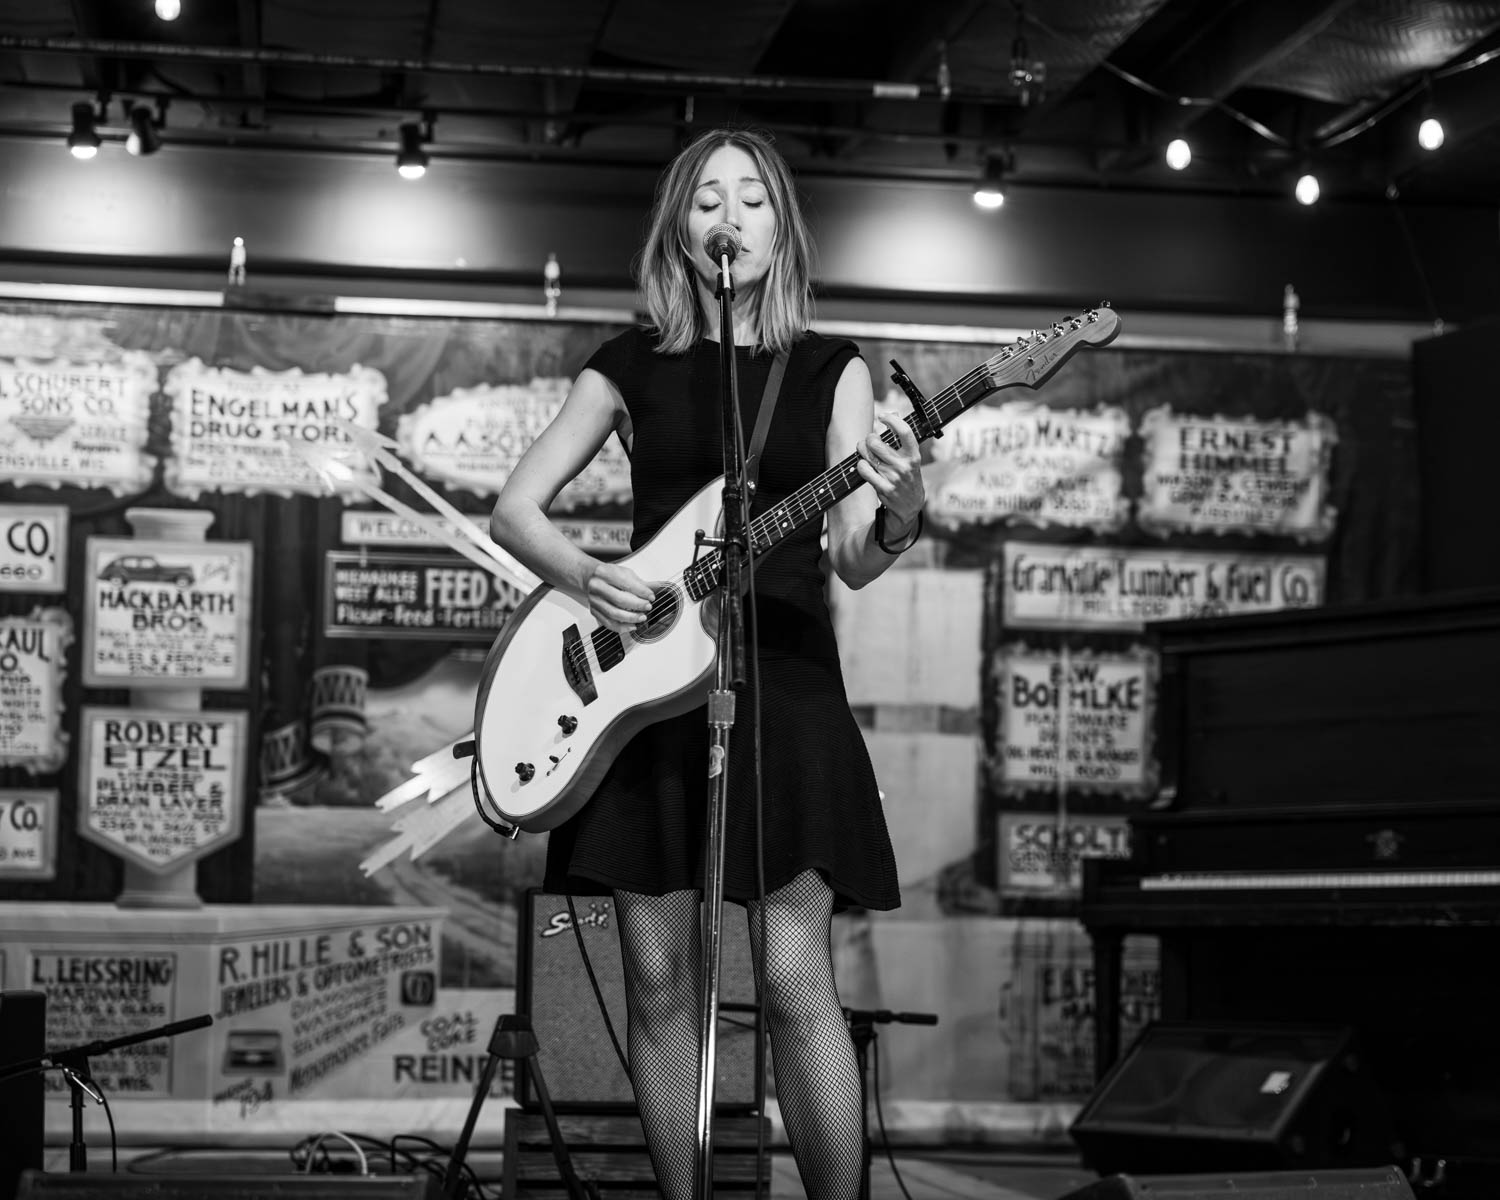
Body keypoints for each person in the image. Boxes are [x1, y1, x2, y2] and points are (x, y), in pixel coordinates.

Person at [490, 126, 925, 1200]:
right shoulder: (628, 363)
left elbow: (856, 557)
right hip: (643, 695)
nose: (729, 218)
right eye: (706, 202)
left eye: (752, 200)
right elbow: (514, 508)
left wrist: (904, 498)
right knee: (656, 976)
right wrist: (590, 579)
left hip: (784, 687)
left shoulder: (834, 368)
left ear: (782, 228)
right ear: (679, 230)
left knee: (790, 975)